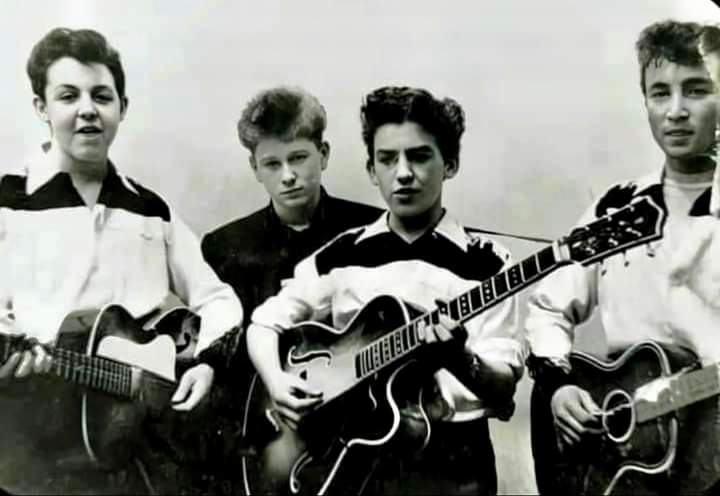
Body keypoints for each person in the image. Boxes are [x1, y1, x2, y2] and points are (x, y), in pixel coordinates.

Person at [245, 85, 525, 495]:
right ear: (372, 171)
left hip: (453, 468)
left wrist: (459, 359)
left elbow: (503, 389)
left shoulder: (488, 264)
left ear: (450, 163)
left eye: (419, 156)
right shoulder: (340, 255)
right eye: (388, 159)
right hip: (353, 464)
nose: (404, 173)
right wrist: (276, 381)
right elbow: (263, 324)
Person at [0, 27, 243, 495]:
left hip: (147, 442)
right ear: (41, 107)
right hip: (38, 438)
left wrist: (207, 362)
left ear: (121, 108)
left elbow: (217, 300)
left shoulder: (152, 209)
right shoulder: (8, 203)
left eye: (102, 96)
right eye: (68, 95)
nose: (87, 109)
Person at [525, 20, 720, 495]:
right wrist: (559, 387)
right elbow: (549, 305)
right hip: (624, 452)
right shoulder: (618, 206)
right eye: (659, 93)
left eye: (696, 90)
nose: (675, 111)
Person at [199, 86, 381, 493]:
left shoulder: (370, 231)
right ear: (254, 167)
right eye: (272, 163)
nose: (288, 176)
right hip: (264, 435)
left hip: (355, 427)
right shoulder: (224, 247)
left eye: (299, 157)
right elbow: (224, 348)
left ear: (325, 154)